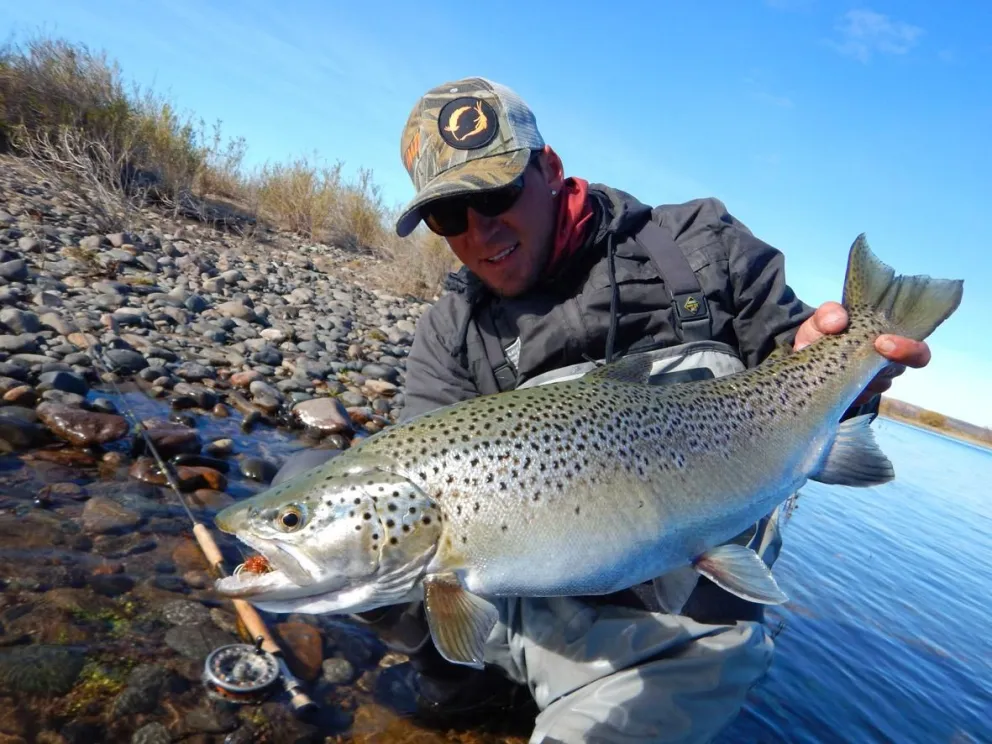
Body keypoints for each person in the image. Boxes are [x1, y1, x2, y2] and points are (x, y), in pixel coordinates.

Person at [274, 77, 931, 743]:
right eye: (449, 216)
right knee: (307, 485)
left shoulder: (701, 246)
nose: (479, 231)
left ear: (552, 169)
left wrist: (850, 368)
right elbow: (405, 499)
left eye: (495, 194)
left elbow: (799, 357)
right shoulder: (453, 332)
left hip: (684, 620)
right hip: (534, 602)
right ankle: (466, 679)